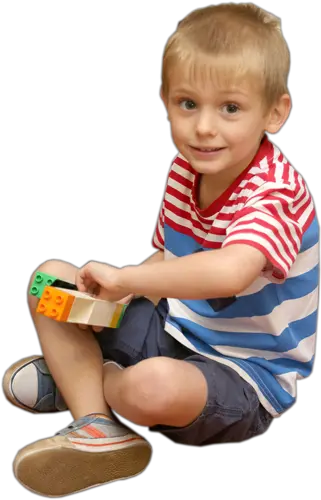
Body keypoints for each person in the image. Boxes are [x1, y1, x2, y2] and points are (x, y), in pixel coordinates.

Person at [3, 2, 319, 497]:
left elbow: (230, 273)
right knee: (52, 280)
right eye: (188, 104)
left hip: (245, 376)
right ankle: (95, 424)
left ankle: (81, 384)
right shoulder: (186, 171)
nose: (204, 128)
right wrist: (114, 294)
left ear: (275, 112)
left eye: (230, 108)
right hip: (176, 326)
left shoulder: (275, 192)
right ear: (166, 101)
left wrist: (127, 282)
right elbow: (171, 258)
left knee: (148, 388)